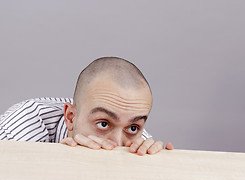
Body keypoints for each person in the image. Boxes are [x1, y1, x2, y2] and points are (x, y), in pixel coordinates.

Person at [0, 57, 173, 155]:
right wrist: (64, 161)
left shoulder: (137, 144)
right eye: (103, 124)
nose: (118, 143)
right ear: (71, 117)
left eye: (134, 127)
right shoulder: (23, 126)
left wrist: (160, 168)